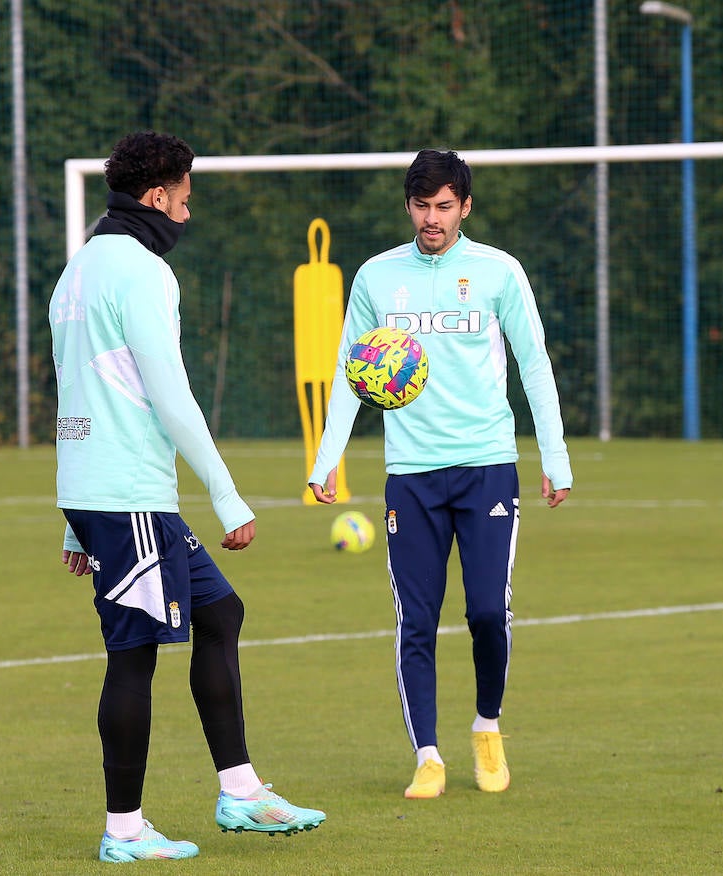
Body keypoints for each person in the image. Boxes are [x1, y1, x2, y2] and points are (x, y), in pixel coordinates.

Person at [49, 131, 325, 863]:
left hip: (102, 493)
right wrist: (229, 497)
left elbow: (73, 389)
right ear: (155, 198)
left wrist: (76, 524)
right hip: (129, 494)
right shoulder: (141, 273)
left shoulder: (76, 272)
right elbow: (171, 396)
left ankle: (239, 791)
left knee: (220, 611)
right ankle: (124, 832)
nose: (187, 216)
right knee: (134, 655)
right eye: (184, 201)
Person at [308, 149, 573, 799]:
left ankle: (487, 727)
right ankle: (428, 755)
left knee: (487, 610)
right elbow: (351, 371)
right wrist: (326, 459)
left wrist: (554, 456)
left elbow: (533, 365)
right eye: (423, 206)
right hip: (412, 473)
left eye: (445, 206)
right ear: (408, 206)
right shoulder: (376, 278)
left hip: (486, 466)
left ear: (466, 207)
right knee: (416, 619)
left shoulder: (498, 273)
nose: (433, 219)